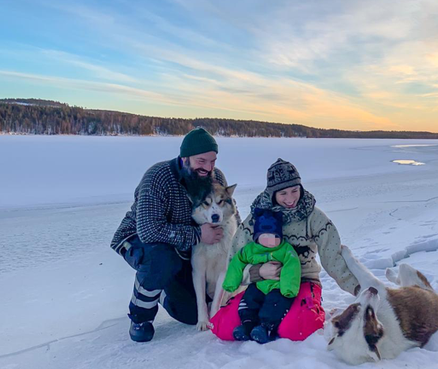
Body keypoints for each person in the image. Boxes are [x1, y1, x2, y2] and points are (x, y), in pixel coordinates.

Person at [211, 158, 359, 342]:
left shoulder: (314, 217)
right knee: (224, 327)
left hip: (302, 281)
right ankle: (261, 320)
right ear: (272, 193)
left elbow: (333, 258)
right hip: (262, 284)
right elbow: (235, 260)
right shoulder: (257, 219)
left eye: (294, 190)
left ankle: (302, 310)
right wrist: (258, 272)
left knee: (296, 329)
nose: (290, 199)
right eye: (283, 193)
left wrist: (358, 288)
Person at [110, 127, 231, 342]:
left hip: (182, 247)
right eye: (201, 161)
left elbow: (227, 211)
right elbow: (148, 231)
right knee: (161, 259)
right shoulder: (159, 177)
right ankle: (141, 316)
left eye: (212, 161)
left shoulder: (216, 177)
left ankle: (164, 289)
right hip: (138, 239)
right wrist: (198, 234)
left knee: (192, 314)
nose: (208, 168)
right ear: (185, 158)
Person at [222, 208, 301, 344]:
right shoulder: (251, 250)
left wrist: (288, 288)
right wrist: (231, 282)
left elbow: (292, 266)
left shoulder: (285, 250)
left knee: (275, 303)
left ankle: (265, 327)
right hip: (258, 284)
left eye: (274, 236)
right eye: (265, 236)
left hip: (277, 286)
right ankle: (247, 325)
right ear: (258, 237)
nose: (270, 241)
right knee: (249, 299)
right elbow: (237, 262)